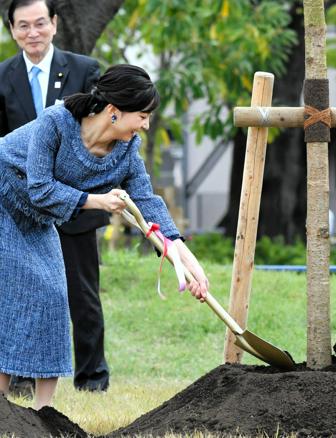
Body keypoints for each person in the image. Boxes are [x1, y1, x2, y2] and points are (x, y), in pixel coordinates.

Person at [0, 64, 209, 409]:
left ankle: (43, 412)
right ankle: (4, 410)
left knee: (54, 295)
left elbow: (147, 202)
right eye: (142, 115)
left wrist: (189, 264)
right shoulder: (56, 122)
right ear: (114, 112)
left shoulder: (126, 150)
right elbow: (39, 188)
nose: (146, 124)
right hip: (5, 195)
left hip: (38, 217)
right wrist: (98, 201)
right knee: (12, 299)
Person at [0, 0, 112, 394]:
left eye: (40, 23)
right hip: (21, 210)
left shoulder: (84, 70)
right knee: (24, 294)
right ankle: (21, 378)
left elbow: (100, 135)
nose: (33, 32)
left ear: (55, 24)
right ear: (12, 29)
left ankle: (92, 378)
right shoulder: (2, 77)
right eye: (23, 25)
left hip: (77, 204)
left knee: (82, 293)